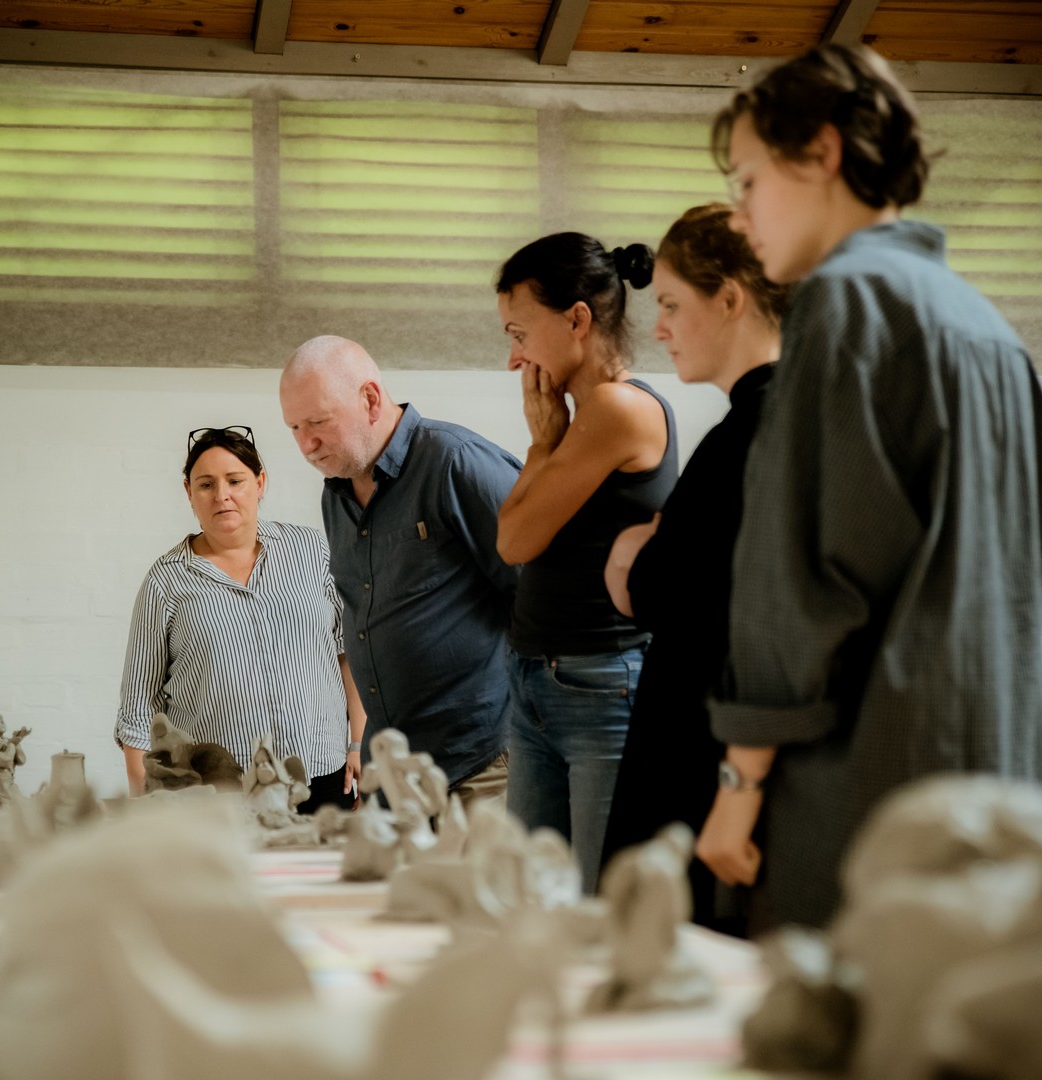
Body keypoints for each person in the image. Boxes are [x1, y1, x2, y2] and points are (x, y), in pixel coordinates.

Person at [698, 43, 1042, 929]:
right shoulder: (986, 326)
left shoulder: (845, 303)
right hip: (988, 781)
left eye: (748, 181)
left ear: (821, 152)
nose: (741, 215)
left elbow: (797, 582)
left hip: (858, 788)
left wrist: (739, 783)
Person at [597, 203, 788, 935]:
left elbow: (653, 589)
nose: (660, 328)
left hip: (703, 757)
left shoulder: (753, 434)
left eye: (673, 305)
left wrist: (634, 553)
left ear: (730, 298)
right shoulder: (759, 424)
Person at [494, 233, 679, 894]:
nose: (515, 359)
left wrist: (542, 444)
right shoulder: (581, 417)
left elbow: (514, 541)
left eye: (520, 334)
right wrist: (544, 442)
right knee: (531, 899)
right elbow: (512, 532)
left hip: (599, 684)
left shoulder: (616, 408)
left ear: (577, 319)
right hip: (541, 679)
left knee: (599, 904)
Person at [279, 337, 521, 806]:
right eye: (294, 427)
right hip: (391, 773)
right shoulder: (335, 494)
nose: (307, 444)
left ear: (370, 399)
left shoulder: (456, 462)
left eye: (318, 422)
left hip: (479, 765)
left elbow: (545, 589)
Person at [115, 425, 367, 810]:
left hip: (323, 776)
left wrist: (359, 743)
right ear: (189, 493)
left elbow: (350, 650)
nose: (222, 495)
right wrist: (144, 808)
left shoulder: (311, 551)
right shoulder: (165, 582)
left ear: (260, 483)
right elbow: (138, 710)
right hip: (220, 793)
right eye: (206, 485)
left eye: (235, 481)